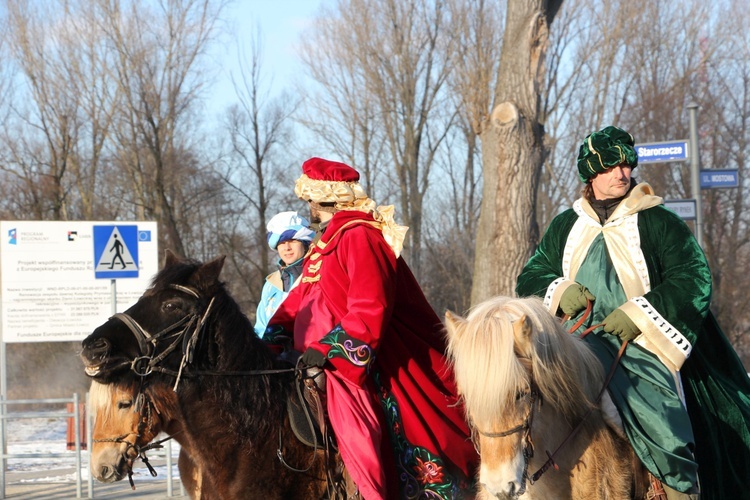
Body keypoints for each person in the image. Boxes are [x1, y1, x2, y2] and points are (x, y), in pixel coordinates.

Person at [515, 125, 750, 500]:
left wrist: (639, 314)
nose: (622, 174)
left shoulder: (658, 222)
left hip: (643, 347)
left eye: (626, 166)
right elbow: (531, 275)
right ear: (590, 175)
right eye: (611, 168)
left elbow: (693, 277)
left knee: (666, 428)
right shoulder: (566, 226)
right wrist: (561, 290)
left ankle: (676, 490)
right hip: (577, 345)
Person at [266, 158, 478, 499]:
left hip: (359, 367)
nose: (308, 207)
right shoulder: (326, 243)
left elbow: (370, 307)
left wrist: (327, 349)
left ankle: (369, 492)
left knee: (358, 433)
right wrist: (272, 337)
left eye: (311, 200)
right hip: (311, 362)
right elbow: (299, 301)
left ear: (327, 199)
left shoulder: (361, 236)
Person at [253, 211, 315, 337]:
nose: (286, 248)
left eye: (292, 241)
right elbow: (260, 329)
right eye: (281, 242)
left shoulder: (317, 277)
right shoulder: (271, 285)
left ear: (305, 244)